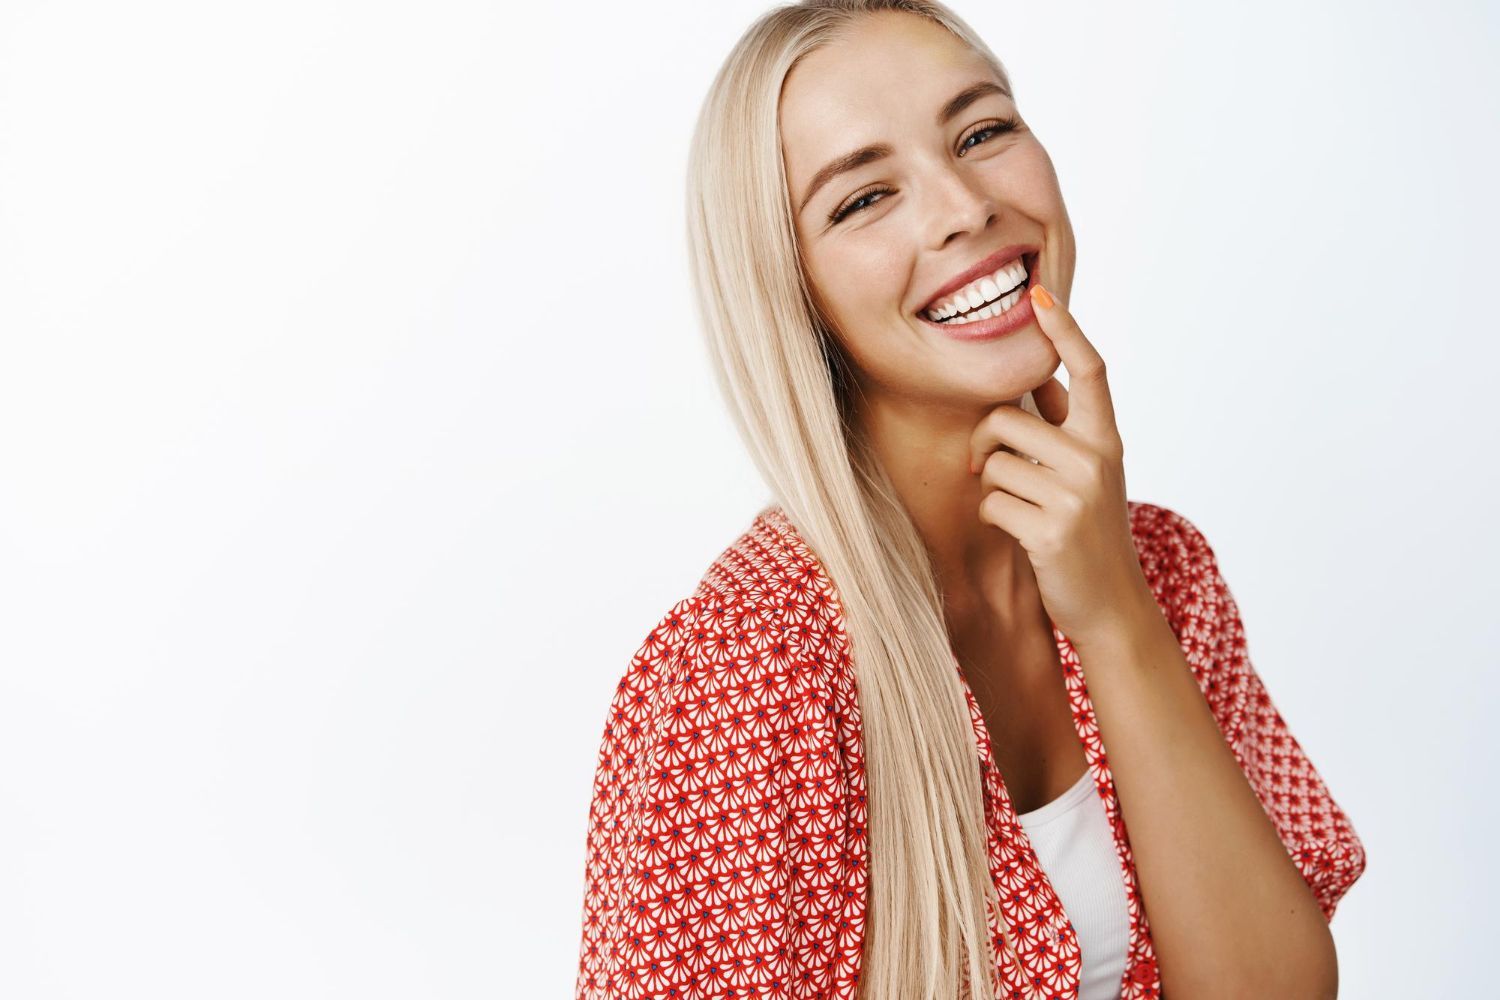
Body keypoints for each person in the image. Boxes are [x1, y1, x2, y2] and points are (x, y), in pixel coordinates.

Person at [574, 3, 1366, 998]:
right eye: (863, 198)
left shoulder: (1159, 571)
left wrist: (1118, 619)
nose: (961, 206)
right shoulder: (750, 672)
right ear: (794, 291)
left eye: (982, 131)